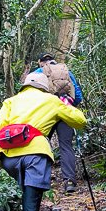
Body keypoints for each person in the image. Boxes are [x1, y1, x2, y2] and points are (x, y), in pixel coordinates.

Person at [0, 72, 85, 211]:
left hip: (8, 158)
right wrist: (65, 104)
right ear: (44, 87)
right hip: (36, 155)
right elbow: (80, 121)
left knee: (28, 197)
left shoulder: (11, 101)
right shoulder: (51, 100)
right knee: (31, 203)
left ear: (25, 85)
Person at [35, 53, 84, 194]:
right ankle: (69, 181)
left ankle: (40, 181)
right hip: (65, 111)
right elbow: (78, 95)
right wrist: (68, 104)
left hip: (46, 114)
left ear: (41, 62)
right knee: (66, 146)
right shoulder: (66, 71)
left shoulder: (38, 73)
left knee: (41, 143)